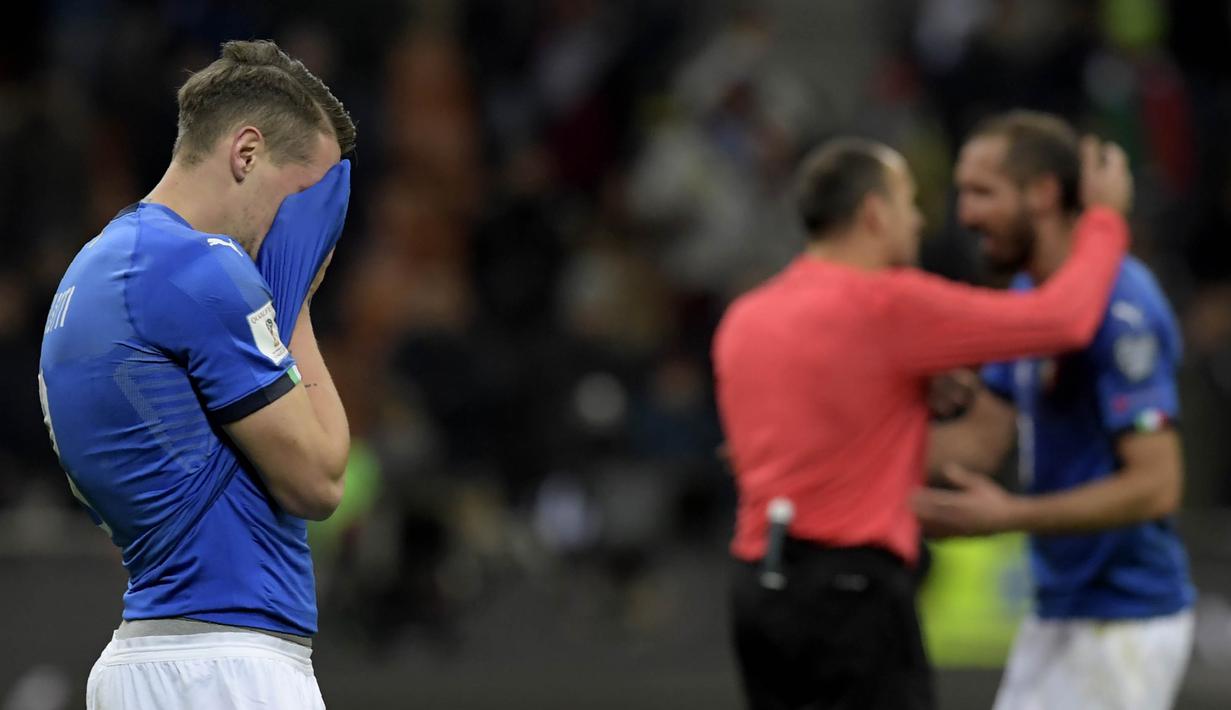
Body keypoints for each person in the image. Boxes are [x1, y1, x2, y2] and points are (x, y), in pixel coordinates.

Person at [712, 133, 1134, 710]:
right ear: (873, 214)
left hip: (759, 589)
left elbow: (783, 445)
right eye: (909, 203)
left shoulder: (746, 318)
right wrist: (1105, 221)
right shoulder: (889, 305)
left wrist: (901, 396)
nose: (917, 222)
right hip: (851, 592)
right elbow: (1063, 321)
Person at [37, 40, 355, 709]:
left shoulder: (93, 266)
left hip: (142, 662)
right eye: (300, 199)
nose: (297, 228)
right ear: (246, 152)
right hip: (228, 667)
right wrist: (291, 296)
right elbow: (321, 480)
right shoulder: (200, 269)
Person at [916, 111, 1194, 710]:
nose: (964, 215)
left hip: (1123, 620)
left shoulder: (1122, 307)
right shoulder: (1030, 301)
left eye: (982, 192)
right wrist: (830, 456)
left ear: (1042, 193)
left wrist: (1013, 515)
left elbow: (1158, 484)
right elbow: (978, 443)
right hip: (1058, 613)